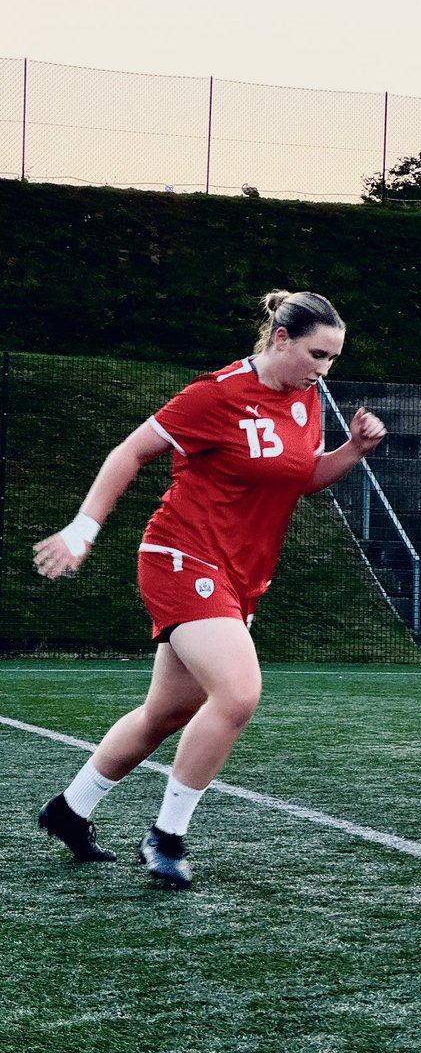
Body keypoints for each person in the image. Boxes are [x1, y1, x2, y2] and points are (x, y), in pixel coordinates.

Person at [33, 289, 386, 889]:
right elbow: (130, 452)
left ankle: (69, 810)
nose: (325, 370)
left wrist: (352, 450)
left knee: (166, 713)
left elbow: (297, 481)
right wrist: (83, 529)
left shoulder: (306, 402)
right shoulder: (214, 395)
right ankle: (166, 837)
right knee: (239, 694)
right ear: (281, 339)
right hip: (180, 557)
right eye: (317, 354)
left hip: (240, 577)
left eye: (333, 359)